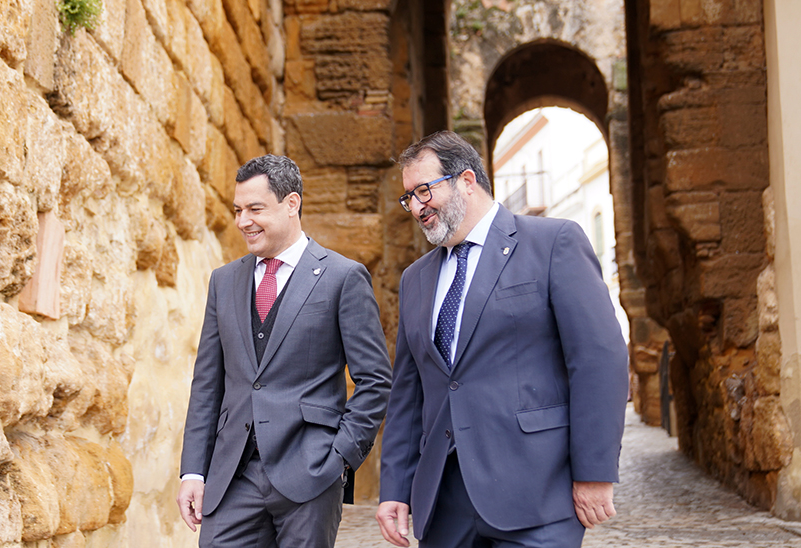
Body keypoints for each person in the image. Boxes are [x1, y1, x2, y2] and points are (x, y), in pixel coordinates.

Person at [376, 131, 629, 548]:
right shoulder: (415, 278)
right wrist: (395, 489)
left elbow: (599, 360)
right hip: (445, 504)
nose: (417, 207)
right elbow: (408, 391)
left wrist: (595, 472)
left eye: (424, 191)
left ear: (467, 180)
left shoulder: (553, 243)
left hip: (538, 495)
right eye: (409, 198)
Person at [176, 154, 392, 548]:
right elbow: (207, 383)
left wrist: (340, 458)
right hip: (232, 478)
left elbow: (375, 381)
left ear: (291, 204)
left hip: (310, 474)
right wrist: (193, 471)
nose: (243, 221)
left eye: (255, 209)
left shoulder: (342, 277)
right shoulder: (223, 281)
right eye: (238, 210)